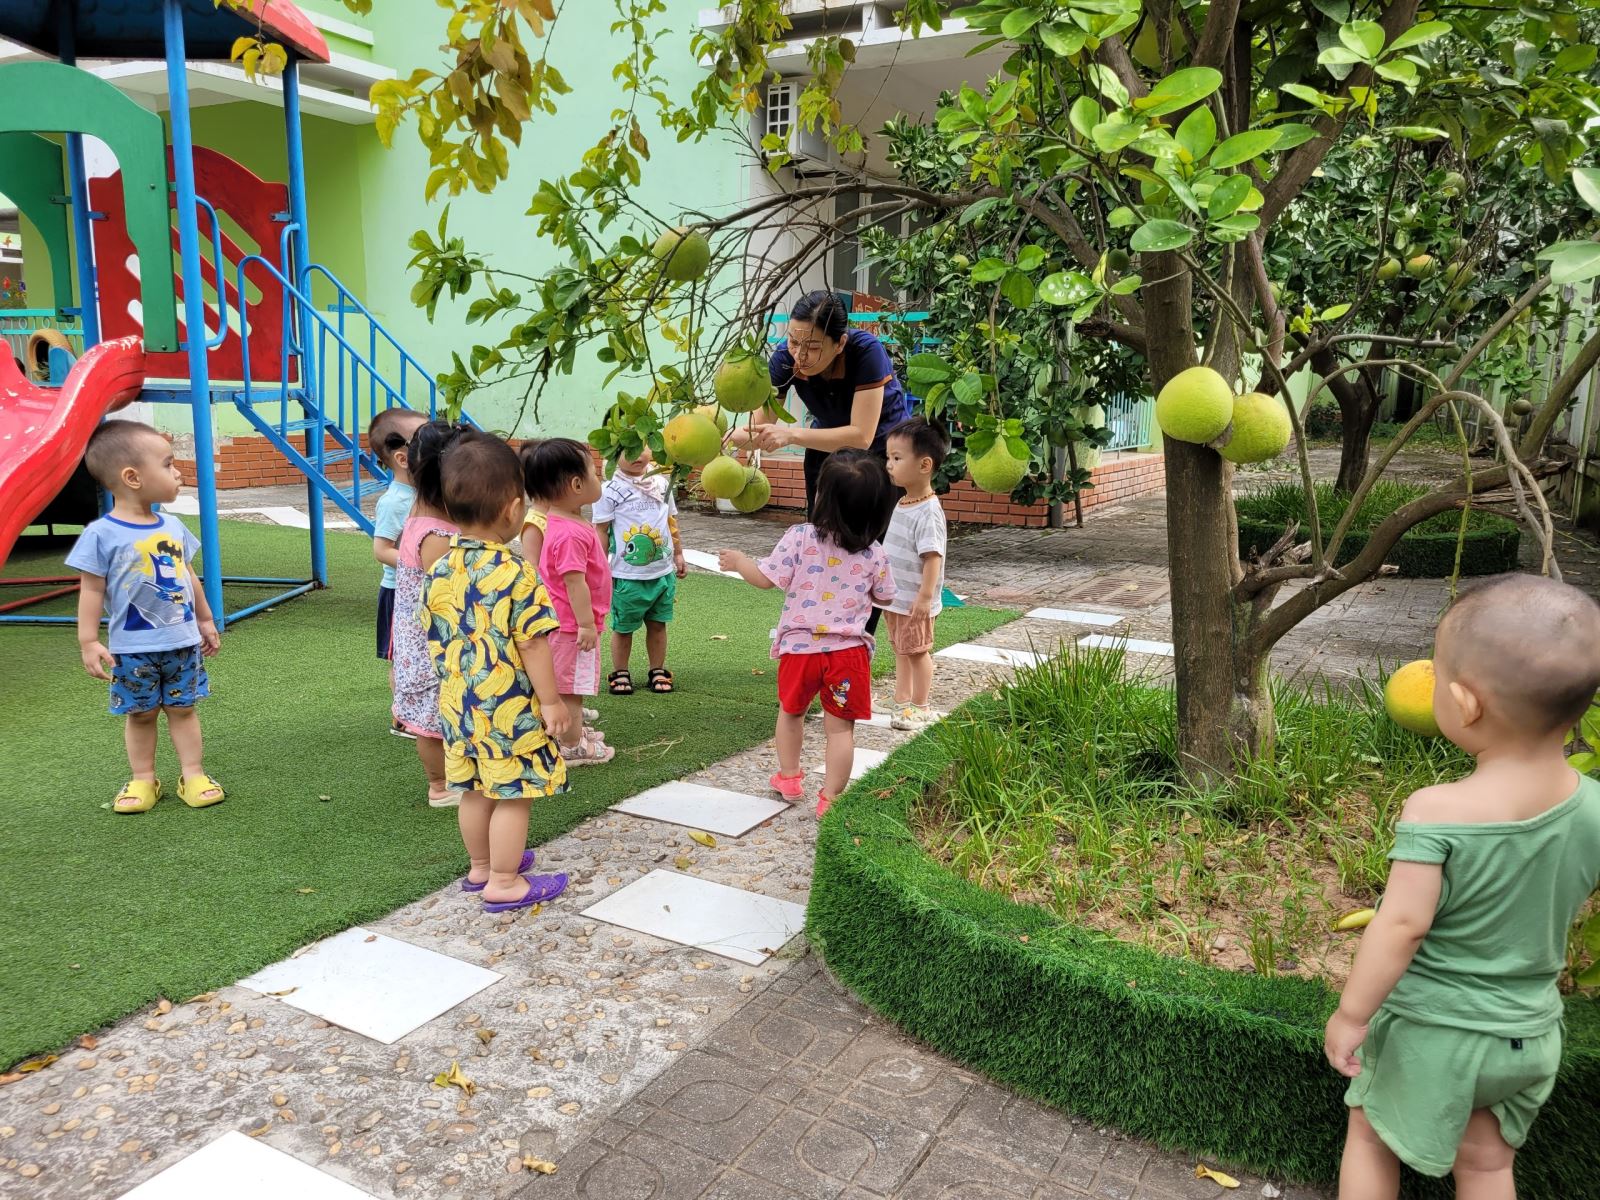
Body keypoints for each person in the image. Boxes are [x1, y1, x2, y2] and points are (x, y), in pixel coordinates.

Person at [1325, 573, 1600, 1200]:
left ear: (1464, 703)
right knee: (1486, 1165)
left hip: (1437, 1031)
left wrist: (1351, 1014)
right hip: (1529, 1035)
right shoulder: (1594, 807)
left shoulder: (1437, 810)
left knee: (1370, 1136)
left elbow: (1402, 924)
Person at [423, 430, 572, 912]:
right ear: (513, 510)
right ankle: (505, 881)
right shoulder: (516, 572)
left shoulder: (439, 569)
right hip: (508, 705)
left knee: (473, 787)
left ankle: (481, 867)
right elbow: (532, 640)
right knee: (513, 793)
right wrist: (551, 701)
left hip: (458, 705)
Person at [719, 450, 896, 818]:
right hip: (848, 655)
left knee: (791, 713)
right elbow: (885, 596)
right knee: (840, 730)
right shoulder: (874, 553)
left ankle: (789, 777)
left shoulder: (800, 537)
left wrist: (740, 562)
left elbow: (765, 579)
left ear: (821, 496)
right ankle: (830, 798)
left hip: (800, 651)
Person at [68, 420, 223, 814]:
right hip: (132, 649)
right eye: (168, 464)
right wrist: (88, 640)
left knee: (184, 709)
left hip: (182, 644)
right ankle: (142, 778)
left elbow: (188, 575)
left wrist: (205, 619)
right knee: (140, 714)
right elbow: (91, 590)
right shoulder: (101, 534)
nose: (178, 472)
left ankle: (193, 774)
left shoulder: (173, 526)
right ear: (133, 478)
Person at [526, 438, 615, 765]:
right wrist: (586, 624)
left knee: (569, 685)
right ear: (577, 485)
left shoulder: (567, 522)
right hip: (571, 628)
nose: (599, 478)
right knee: (571, 689)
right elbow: (573, 582)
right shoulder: (569, 533)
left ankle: (569, 734)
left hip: (568, 625)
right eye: (594, 473)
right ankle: (573, 745)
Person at [391, 420, 463, 807]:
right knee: (432, 723)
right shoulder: (437, 536)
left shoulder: (423, 516)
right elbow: (447, 599)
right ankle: (440, 784)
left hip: (416, 640)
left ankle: (451, 776)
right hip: (430, 646)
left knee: (435, 718)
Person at [595, 441, 687, 696]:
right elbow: (601, 530)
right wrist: (600, 565)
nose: (636, 455)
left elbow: (670, 521)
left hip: (662, 573)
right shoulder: (609, 490)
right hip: (627, 576)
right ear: (612, 454)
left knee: (658, 624)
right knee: (623, 628)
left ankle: (657, 669)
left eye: (642, 447)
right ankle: (620, 671)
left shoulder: (661, 483)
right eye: (627, 449)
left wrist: (678, 553)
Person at [881, 417, 950, 730]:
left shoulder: (928, 511)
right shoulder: (905, 501)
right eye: (888, 457)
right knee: (902, 649)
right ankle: (902, 699)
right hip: (898, 599)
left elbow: (933, 557)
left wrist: (925, 597)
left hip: (914, 602)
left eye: (897, 458)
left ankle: (920, 706)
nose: (889, 465)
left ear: (924, 465)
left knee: (918, 653)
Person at [369, 407, 428, 741]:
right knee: (403, 657)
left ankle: (422, 711)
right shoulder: (395, 501)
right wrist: (420, 564)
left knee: (423, 654)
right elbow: (381, 549)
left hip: (423, 589)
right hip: (399, 593)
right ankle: (403, 717)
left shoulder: (423, 495)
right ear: (403, 458)